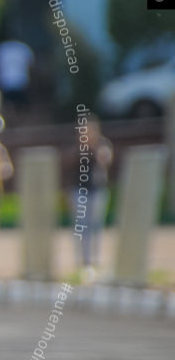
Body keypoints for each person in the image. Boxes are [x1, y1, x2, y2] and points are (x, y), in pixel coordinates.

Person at [64, 115, 113, 281]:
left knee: (96, 226)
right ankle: (83, 261)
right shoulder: (75, 147)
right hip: (79, 191)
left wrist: (94, 147)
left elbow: (105, 159)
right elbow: (68, 162)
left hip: (97, 190)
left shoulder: (102, 146)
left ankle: (95, 260)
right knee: (81, 227)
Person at [0, 39, 35, 115]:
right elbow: (31, 66)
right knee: (20, 106)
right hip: (20, 81)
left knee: (9, 104)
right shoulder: (23, 48)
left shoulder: (0, 49)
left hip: (6, 81)